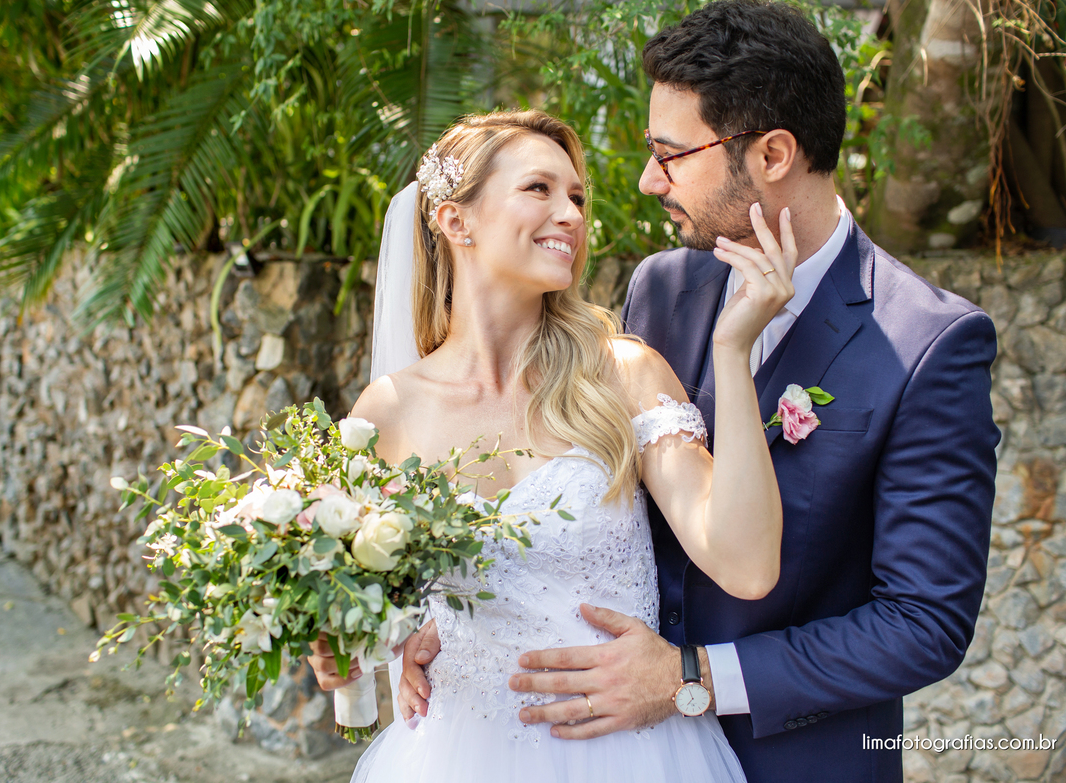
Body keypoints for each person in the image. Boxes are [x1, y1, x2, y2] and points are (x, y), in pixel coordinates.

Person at [396, 0, 1000, 783]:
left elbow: (923, 624)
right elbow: (594, 508)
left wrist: (692, 678)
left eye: (672, 154)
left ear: (773, 154)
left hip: (796, 761)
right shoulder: (665, 288)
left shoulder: (928, 342)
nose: (648, 181)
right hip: (584, 749)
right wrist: (474, 622)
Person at [307, 108, 805, 781]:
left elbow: (746, 565)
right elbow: (373, 600)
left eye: (575, 196)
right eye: (538, 189)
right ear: (457, 221)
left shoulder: (624, 374)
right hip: (455, 754)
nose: (570, 213)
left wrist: (732, 348)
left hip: (630, 755)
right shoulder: (388, 413)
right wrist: (364, 646)